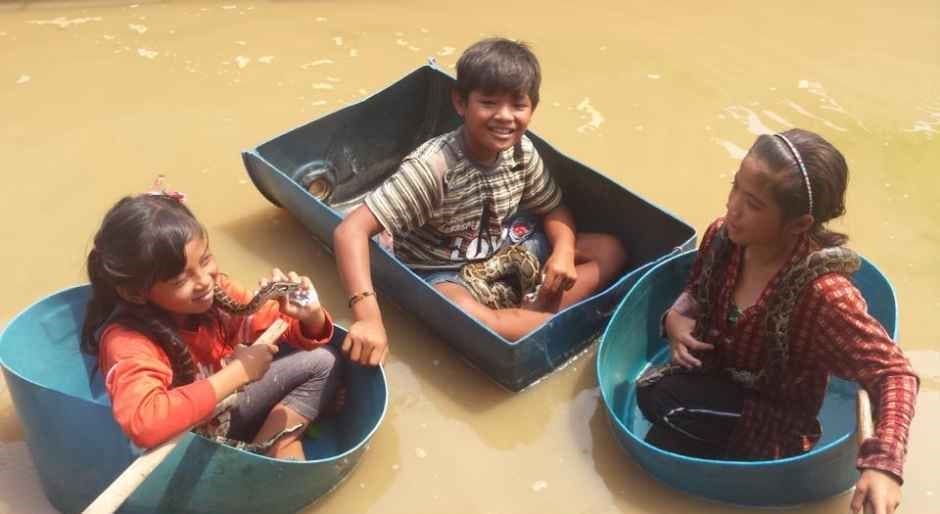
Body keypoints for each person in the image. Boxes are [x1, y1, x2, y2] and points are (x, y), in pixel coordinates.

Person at [636, 128, 918, 514]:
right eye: (735, 187)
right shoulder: (724, 238)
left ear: (799, 225)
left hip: (775, 414)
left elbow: (895, 374)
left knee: (664, 408)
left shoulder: (824, 296)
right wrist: (676, 317)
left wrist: (883, 465)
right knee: (649, 399)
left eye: (751, 203)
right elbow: (696, 288)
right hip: (718, 377)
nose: (732, 207)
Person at [333, 37, 626, 363]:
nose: (505, 117)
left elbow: (553, 207)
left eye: (518, 106)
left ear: (532, 109)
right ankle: (549, 323)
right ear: (460, 104)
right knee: (475, 319)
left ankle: (528, 316)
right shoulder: (434, 168)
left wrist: (563, 253)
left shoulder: (522, 151)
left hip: (500, 247)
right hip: (441, 268)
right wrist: (368, 317)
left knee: (609, 250)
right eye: (488, 103)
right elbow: (350, 231)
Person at [80, 191, 342, 460]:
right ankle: (248, 459)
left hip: (221, 413)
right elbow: (144, 423)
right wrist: (239, 372)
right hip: (181, 444)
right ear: (136, 293)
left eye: (205, 260)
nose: (204, 280)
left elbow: (278, 325)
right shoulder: (127, 342)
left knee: (324, 362)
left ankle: (267, 445)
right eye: (181, 280)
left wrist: (310, 316)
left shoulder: (217, 295)